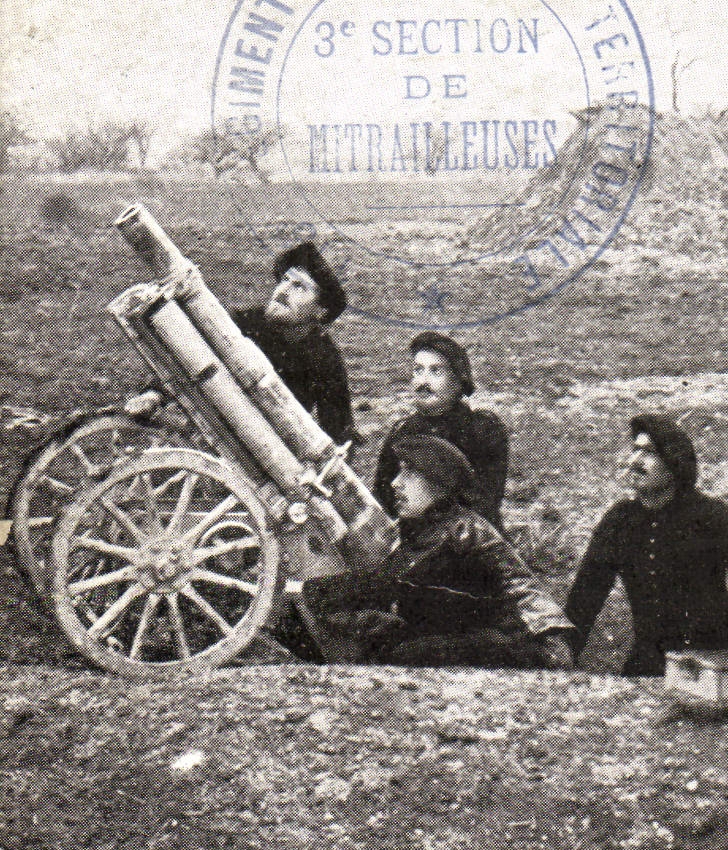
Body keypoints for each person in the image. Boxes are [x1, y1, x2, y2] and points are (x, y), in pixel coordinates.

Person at [301, 436, 573, 669]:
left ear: (439, 481)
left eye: (409, 473)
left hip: (527, 644)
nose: (396, 483)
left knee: (406, 651)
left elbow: (386, 583)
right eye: (398, 472)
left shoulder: (460, 530)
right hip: (502, 637)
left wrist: (313, 595)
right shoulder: (429, 527)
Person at [565, 414, 728, 677]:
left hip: (714, 656)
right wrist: (563, 658)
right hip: (651, 660)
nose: (633, 462)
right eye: (635, 450)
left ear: (674, 465)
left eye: (648, 453)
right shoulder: (620, 520)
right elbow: (586, 595)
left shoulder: (710, 516)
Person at [127, 240, 355, 443]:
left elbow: (338, 433)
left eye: (299, 287)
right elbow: (187, 355)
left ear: (321, 311)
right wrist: (154, 394)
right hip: (208, 427)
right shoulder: (246, 322)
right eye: (285, 280)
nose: (283, 291)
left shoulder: (325, 359)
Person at [375, 331, 510, 529]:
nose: (423, 382)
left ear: (458, 382)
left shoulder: (482, 430)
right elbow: (383, 497)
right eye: (418, 370)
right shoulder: (403, 431)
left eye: (436, 371)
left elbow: (484, 505)